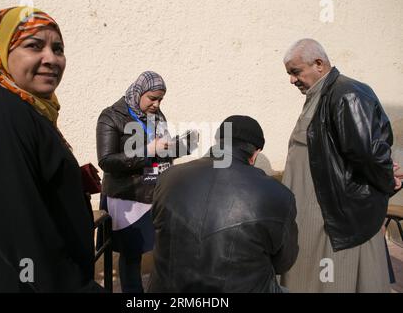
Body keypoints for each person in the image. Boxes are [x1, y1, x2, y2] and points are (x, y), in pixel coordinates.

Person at [0, 7, 103, 292]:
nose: (51, 59)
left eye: (58, 48)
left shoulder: (25, 109)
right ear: (2, 52)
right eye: (34, 46)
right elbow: (20, 230)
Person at [280, 38, 403, 292]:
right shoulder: (322, 94)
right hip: (317, 216)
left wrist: (388, 182)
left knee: (337, 282)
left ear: (319, 64)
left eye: (295, 72)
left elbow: (367, 153)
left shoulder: (347, 94)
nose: (291, 80)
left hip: (334, 220)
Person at [147, 115, 299, 293]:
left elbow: (158, 231)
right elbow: (283, 263)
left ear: (218, 141)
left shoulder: (168, 178)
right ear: (255, 153)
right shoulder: (278, 194)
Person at [96, 71, 195, 293]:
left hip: (157, 193)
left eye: (161, 99)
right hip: (128, 197)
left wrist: (180, 145)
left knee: (163, 249)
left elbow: (162, 151)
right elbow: (106, 161)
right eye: (152, 98)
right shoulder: (111, 116)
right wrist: (147, 150)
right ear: (139, 92)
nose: (157, 104)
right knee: (132, 255)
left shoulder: (157, 115)